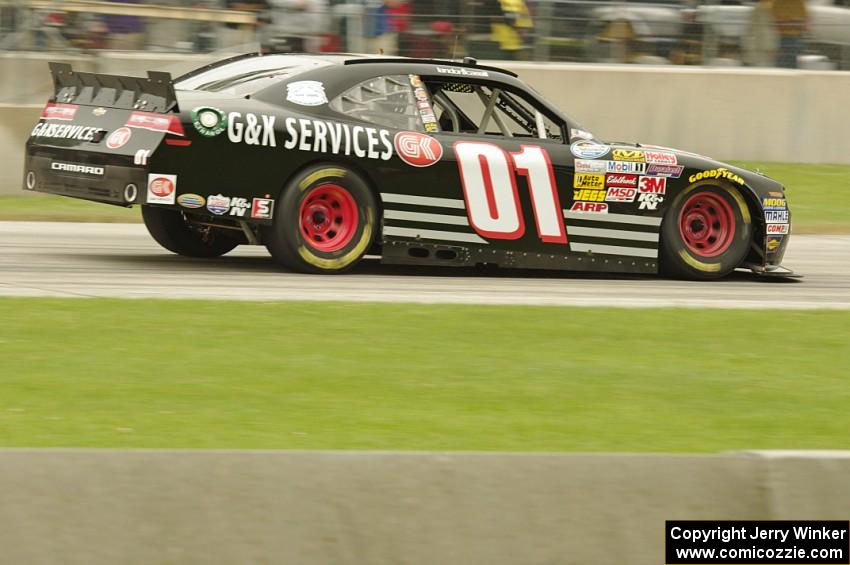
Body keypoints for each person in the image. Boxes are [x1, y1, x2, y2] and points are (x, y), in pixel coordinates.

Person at [771, 0, 808, 68]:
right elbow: (779, 24)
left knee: (787, 67)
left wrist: (787, 22)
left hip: (793, 40)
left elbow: (804, 25)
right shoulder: (778, 3)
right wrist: (795, 22)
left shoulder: (800, 2)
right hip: (783, 40)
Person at [744, 0, 778, 67]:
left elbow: (750, 30)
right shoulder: (765, 9)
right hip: (762, 48)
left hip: (761, 48)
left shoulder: (760, 9)